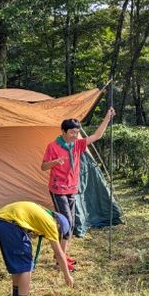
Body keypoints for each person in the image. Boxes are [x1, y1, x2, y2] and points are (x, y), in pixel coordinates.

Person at [41, 107, 115, 267]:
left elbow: (97, 135)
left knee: (71, 223)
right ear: (63, 131)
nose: (75, 135)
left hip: (71, 189)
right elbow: (43, 167)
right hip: (58, 188)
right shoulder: (53, 146)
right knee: (66, 222)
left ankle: (60, 256)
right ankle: (60, 259)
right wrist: (54, 162)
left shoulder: (77, 145)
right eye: (72, 132)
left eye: (77, 132)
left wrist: (107, 117)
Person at [0, 201, 74, 296]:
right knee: (26, 266)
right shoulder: (51, 223)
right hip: (12, 227)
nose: (57, 235)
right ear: (58, 225)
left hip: (1, 222)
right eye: (59, 233)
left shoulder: (44, 212)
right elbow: (59, 253)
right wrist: (67, 276)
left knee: (18, 265)